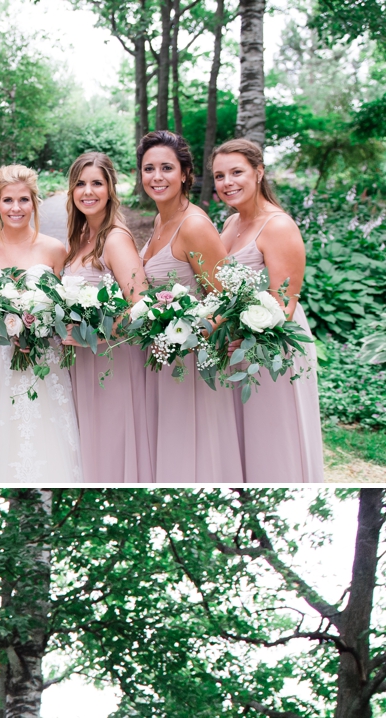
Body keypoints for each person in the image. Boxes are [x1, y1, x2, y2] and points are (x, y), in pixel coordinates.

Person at [0, 164, 82, 483]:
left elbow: (64, 305)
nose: (16, 208)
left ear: (35, 202)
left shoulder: (55, 250)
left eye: (24, 200)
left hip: (44, 363)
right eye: (8, 200)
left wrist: (41, 322)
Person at [214, 137, 325, 483]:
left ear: (259, 172)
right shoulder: (231, 224)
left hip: (271, 346)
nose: (227, 183)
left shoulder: (277, 225)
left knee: (270, 438)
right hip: (235, 345)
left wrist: (248, 340)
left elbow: (284, 302)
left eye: (236, 172)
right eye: (219, 176)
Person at [138, 129, 243, 481]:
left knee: (190, 457)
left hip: (192, 361)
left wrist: (191, 333)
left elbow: (227, 298)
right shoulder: (159, 220)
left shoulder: (195, 225)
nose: (156, 177)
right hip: (162, 357)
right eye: (148, 168)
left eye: (166, 168)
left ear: (184, 173)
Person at [61, 151, 153, 483]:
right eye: (80, 184)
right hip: (82, 362)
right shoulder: (79, 239)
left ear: (110, 188)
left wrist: (97, 334)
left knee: (112, 444)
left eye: (97, 183)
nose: (88, 191)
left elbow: (142, 307)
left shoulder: (115, 238)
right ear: (71, 191)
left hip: (111, 361)